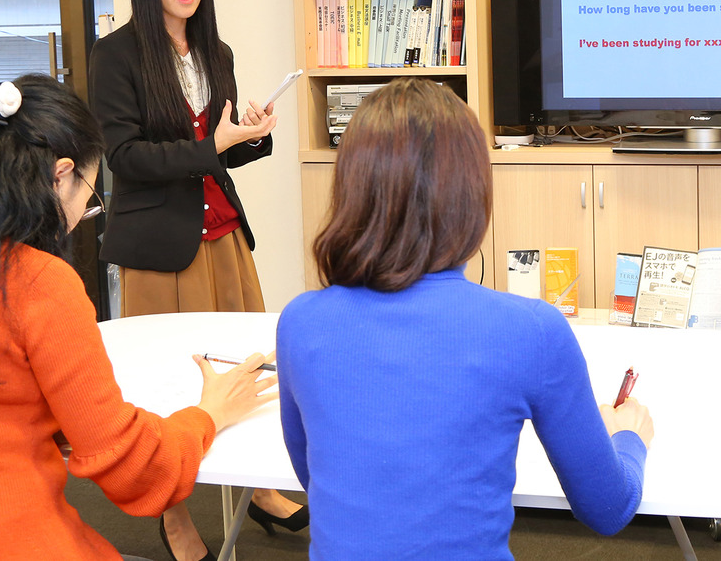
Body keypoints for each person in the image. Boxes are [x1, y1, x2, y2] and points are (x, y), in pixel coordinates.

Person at [0, 74, 278, 561]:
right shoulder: (38, 283)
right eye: (90, 195)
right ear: (61, 174)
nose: (81, 211)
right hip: (7, 537)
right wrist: (209, 414)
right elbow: (129, 467)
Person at [277, 78, 654, 560]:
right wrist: (628, 437)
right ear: (471, 192)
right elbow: (608, 507)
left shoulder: (300, 322)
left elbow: (315, 475)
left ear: (352, 186)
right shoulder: (530, 331)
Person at [88, 0, 302, 561]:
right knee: (167, 389)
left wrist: (253, 134)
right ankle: (173, 515)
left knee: (247, 370)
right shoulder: (116, 55)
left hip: (224, 236)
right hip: (160, 246)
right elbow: (125, 158)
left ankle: (257, 490)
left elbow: (218, 155)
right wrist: (214, 144)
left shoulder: (217, 52)